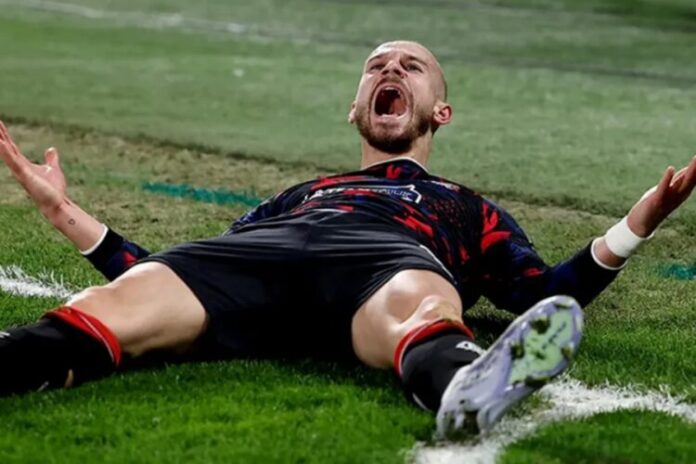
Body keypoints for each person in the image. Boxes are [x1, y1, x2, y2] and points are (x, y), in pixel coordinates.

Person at [0, 40, 694, 438]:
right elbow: (174, 274)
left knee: (419, 302)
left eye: (411, 67)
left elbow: (543, 293)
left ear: (440, 112)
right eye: (376, 66)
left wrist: (638, 223)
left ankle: (461, 385)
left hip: (384, 259)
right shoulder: (299, 194)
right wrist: (64, 212)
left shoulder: (462, 205)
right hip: (268, 251)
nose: (390, 70)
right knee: (126, 297)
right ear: (355, 108)